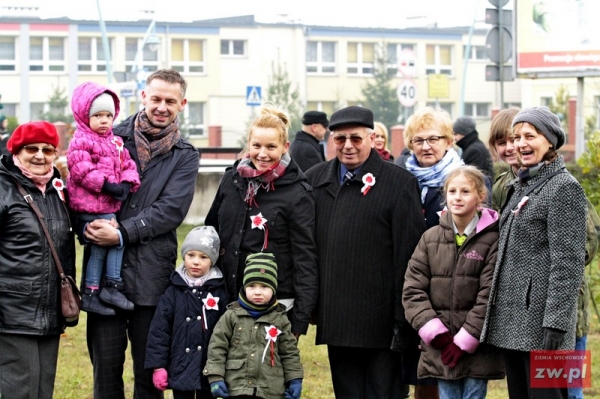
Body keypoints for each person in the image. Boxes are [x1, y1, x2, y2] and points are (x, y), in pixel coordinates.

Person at [83, 68, 200, 399]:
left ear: (182, 103)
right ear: (143, 96)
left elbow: (171, 210)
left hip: (152, 278)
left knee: (149, 376)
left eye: (170, 101)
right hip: (105, 275)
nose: (162, 106)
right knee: (105, 374)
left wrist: (120, 233)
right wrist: (89, 225)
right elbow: (85, 187)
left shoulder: (185, 154)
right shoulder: (109, 137)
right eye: (156, 98)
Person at [304, 105, 426, 399]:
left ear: (372, 138)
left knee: (384, 393)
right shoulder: (315, 179)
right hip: (337, 315)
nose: (347, 146)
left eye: (356, 138)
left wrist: (404, 319)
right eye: (340, 139)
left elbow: (408, 257)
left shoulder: (398, 183)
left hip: (383, 320)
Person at [481, 106, 587, 399]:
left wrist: (555, 323)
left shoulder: (564, 188)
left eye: (530, 136)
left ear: (550, 141)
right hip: (515, 324)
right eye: (516, 137)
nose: (519, 144)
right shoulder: (523, 185)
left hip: (543, 328)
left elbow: (568, 263)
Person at [205, 105, 318, 339]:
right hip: (229, 296)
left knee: (265, 374)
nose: (262, 154)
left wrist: (300, 319)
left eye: (271, 147)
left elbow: (305, 257)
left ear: (285, 148)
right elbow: (212, 232)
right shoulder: (232, 180)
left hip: (275, 303)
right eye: (256, 146)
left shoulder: (298, 193)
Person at [403, 165, 504, 399]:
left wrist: (466, 339)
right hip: (440, 346)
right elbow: (412, 289)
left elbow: (490, 295)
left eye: (465, 191)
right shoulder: (430, 238)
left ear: (480, 196)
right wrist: (436, 333)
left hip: (477, 348)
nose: (457, 197)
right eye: (452, 191)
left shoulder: (493, 241)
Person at [0, 121, 76, 399]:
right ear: (16, 152)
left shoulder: (58, 191)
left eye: (47, 149)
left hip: (49, 312)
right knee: (19, 391)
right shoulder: (3, 187)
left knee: (43, 390)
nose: (40, 156)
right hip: (10, 312)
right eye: (31, 148)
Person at [67, 82, 140, 315]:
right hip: (91, 205)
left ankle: (93, 291)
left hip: (107, 204)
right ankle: (109, 285)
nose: (104, 121)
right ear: (84, 115)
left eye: (108, 115)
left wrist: (127, 184)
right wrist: (107, 186)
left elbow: (128, 164)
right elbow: (80, 169)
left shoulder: (115, 142)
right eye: (97, 115)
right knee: (116, 240)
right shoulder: (81, 140)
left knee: (102, 247)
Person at [203, 253, 303, 399]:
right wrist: (215, 377)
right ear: (244, 287)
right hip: (237, 388)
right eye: (251, 286)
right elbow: (217, 347)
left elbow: (289, 353)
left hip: (270, 390)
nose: (257, 292)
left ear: (274, 289)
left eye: (264, 287)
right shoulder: (231, 315)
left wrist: (295, 379)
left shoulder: (281, 319)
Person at [145, 226, 227, 399]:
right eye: (191, 255)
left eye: (203, 257)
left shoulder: (219, 291)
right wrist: (158, 366)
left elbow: (226, 332)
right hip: (180, 366)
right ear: (184, 256)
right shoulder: (173, 290)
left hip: (209, 368)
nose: (196, 262)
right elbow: (159, 330)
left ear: (212, 260)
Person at [404, 106, 464, 229]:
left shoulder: (466, 180)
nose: (425, 147)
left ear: (448, 143)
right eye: (419, 141)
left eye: (433, 139)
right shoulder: (403, 180)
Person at [487, 107, 520, 213]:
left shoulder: (549, 182)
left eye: (514, 140)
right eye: (502, 143)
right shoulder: (500, 185)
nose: (509, 148)